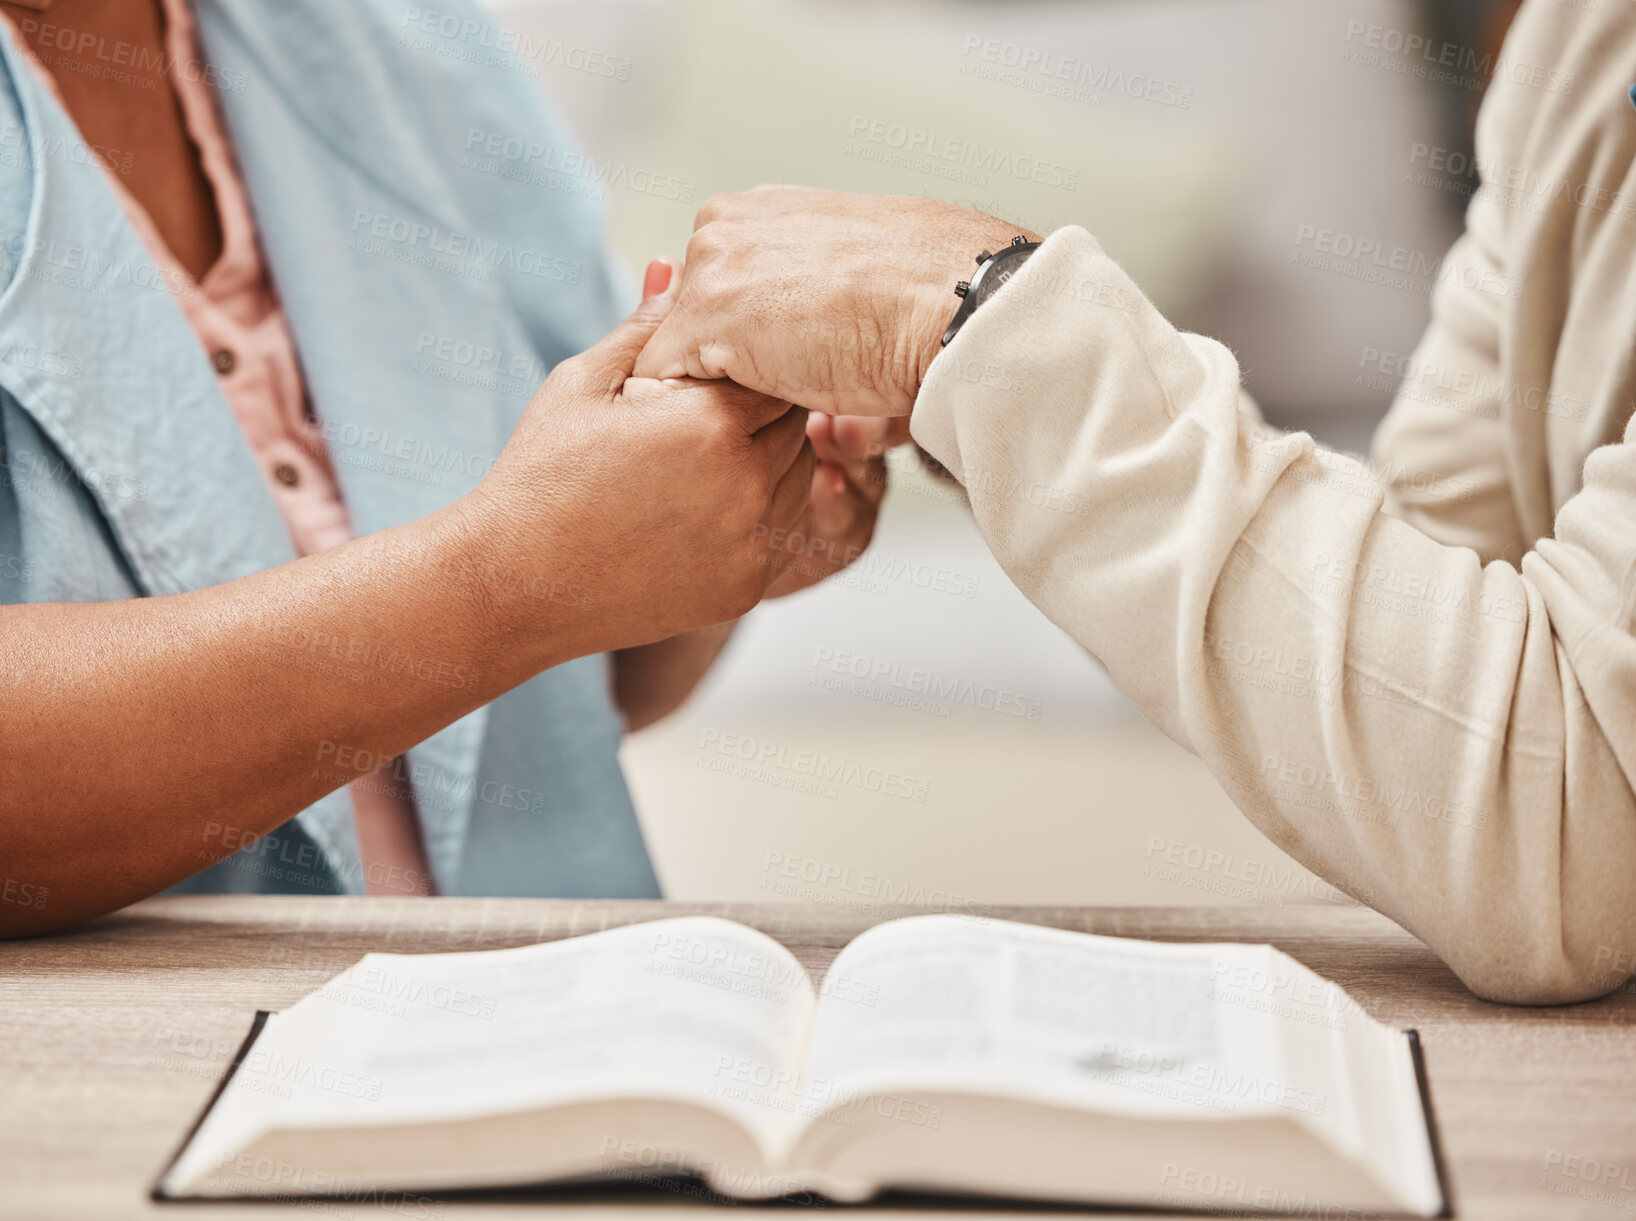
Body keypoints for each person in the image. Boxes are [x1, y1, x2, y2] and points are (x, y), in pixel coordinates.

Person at [635, 1, 1636, 1004]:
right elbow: (1427, 640)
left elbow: (1567, 845)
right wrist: (984, 404)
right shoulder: (1580, 37)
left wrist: (970, 325)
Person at [0, 0, 892, 935]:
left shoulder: (404, 35)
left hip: (555, 1023)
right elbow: (526, 582)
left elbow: (608, 677)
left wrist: (726, 529)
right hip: (159, 1069)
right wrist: (515, 579)